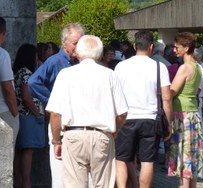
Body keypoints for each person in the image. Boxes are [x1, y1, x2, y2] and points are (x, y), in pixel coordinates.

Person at [46, 35, 128, 187]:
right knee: (103, 184)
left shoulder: (66, 74)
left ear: (78, 52)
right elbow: (122, 112)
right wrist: (113, 132)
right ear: (99, 53)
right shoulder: (109, 74)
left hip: (73, 135)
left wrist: (57, 140)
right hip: (102, 135)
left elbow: (56, 113)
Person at [28, 23, 85, 188]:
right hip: (59, 120)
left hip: (78, 122)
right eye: (75, 43)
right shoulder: (55, 61)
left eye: (80, 42)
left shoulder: (80, 63)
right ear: (65, 43)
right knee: (60, 171)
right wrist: (52, 100)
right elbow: (32, 83)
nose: (78, 47)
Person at [114, 30, 172, 188]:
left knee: (121, 159)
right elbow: (166, 98)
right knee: (147, 161)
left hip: (126, 119)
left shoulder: (121, 66)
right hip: (150, 119)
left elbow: (115, 95)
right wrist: (169, 123)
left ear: (134, 45)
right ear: (151, 47)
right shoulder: (160, 67)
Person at [168, 32, 203, 188]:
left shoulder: (184, 67)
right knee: (192, 158)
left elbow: (172, 91)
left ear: (186, 47)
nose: (174, 50)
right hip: (193, 114)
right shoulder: (198, 67)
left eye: (177, 47)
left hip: (182, 115)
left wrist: (159, 89)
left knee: (184, 157)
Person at [13, 44, 45, 188]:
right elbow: (27, 96)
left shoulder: (18, 71)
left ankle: (20, 182)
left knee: (21, 151)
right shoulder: (26, 72)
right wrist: (37, 114)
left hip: (20, 114)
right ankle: (26, 183)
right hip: (29, 115)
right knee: (28, 150)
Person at [0, 16, 19, 146]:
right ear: (3, 33)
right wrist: (15, 113)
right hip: (4, 110)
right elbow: (7, 87)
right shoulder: (2, 54)